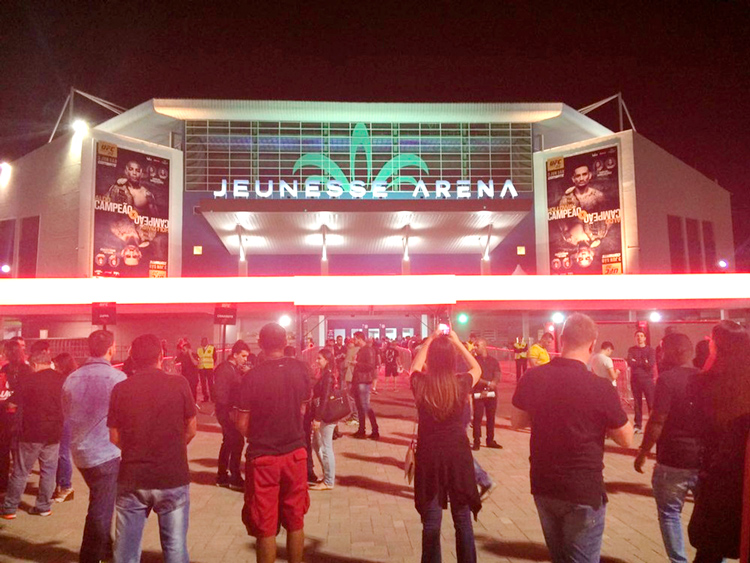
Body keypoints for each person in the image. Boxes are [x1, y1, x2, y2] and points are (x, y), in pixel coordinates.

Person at [511, 313, 633, 562]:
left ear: (561, 339)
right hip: (583, 490)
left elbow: (517, 422)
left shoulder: (533, 378)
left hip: (544, 485)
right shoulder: (601, 387)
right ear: (592, 344)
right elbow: (626, 439)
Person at [108, 334, 197, 563]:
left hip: (132, 477)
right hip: (173, 476)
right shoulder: (179, 383)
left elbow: (114, 436)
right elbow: (191, 429)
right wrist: (174, 448)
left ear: (133, 359)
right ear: (161, 356)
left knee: (126, 551)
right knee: (175, 547)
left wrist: (137, 449)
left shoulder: (121, 389)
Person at [236, 323, 311, 563]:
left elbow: (242, 422)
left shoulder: (252, 376)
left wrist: (258, 433)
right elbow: (303, 407)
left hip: (263, 457)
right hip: (296, 452)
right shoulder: (301, 369)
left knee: (265, 525)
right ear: (285, 342)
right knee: (296, 520)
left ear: (260, 343)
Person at [410, 328, 483, 563]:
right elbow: (477, 369)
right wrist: (458, 343)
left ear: (430, 359)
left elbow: (413, 369)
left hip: (430, 455)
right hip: (458, 455)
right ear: (452, 360)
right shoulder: (460, 383)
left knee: (431, 523)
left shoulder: (421, 384)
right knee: (462, 519)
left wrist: (430, 341)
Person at [633, 332, 700, 563]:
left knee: (670, 515)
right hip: (702, 460)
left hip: (672, 460)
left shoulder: (667, 380)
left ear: (674, 351)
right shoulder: (705, 378)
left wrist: (643, 452)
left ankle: (679, 560)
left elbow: (657, 420)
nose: (659, 353)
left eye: (662, 349)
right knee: (707, 516)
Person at [687, 320, 750, 561]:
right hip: (742, 471)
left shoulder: (703, 383)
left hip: (718, 473)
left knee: (710, 549)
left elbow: (697, 426)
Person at [62, 330, 126, 563]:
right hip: (106, 453)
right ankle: (90, 557)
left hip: (80, 452)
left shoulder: (72, 378)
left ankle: (107, 550)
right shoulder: (118, 378)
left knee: (101, 500)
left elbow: (66, 412)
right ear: (112, 348)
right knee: (101, 509)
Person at [1, 341, 65, 518]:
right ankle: (44, 506)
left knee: (20, 472)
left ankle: (9, 508)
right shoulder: (61, 379)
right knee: (49, 471)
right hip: (54, 432)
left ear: (35, 364)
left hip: (31, 432)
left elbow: (12, 402)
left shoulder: (29, 380)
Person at [213, 340, 250, 490]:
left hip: (230, 411)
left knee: (229, 442)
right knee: (236, 441)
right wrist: (228, 412)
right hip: (226, 412)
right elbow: (221, 394)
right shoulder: (225, 370)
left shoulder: (233, 369)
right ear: (235, 355)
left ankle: (222, 475)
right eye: (243, 355)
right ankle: (233, 476)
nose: (245, 359)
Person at [0, 338, 28, 495]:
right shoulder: (25, 369)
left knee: (6, 453)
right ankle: (14, 488)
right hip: (15, 415)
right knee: (16, 454)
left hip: (9, 415)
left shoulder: (7, 369)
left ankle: (5, 487)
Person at [52, 352, 78, 503]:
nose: (55, 368)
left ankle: (66, 486)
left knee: (63, 453)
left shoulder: (69, 379)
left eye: (57, 365)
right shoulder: (72, 377)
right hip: (65, 418)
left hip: (66, 418)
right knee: (61, 453)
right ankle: (60, 485)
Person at [310, 348, 337, 491]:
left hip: (326, 416)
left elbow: (325, 397)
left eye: (319, 358)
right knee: (316, 443)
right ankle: (327, 475)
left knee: (326, 447)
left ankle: (329, 480)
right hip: (323, 415)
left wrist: (318, 418)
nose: (317, 361)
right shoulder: (325, 374)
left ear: (326, 360)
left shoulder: (328, 376)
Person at [471, 337, 503, 450]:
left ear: (484, 346)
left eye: (477, 345)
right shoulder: (473, 361)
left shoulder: (493, 361)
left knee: (491, 417)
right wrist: (488, 383)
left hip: (491, 393)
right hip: (479, 392)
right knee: (477, 417)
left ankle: (490, 440)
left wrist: (494, 383)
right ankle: (476, 441)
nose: (475, 347)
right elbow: (474, 376)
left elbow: (497, 373)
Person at [351, 331, 380, 440]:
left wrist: (356, 364)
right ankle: (361, 430)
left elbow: (370, 366)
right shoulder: (363, 350)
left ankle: (375, 430)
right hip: (359, 380)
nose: (354, 341)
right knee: (360, 406)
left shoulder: (368, 350)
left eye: (355, 339)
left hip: (364, 381)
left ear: (359, 338)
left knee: (365, 406)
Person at [627, 329, 656, 433]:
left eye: (641, 336)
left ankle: (652, 426)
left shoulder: (650, 350)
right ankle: (637, 426)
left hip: (647, 380)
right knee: (637, 404)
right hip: (635, 380)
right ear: (635, 338)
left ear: (645, 338)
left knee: (651, 403)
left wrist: (638, 362)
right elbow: (630, 362)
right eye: (637, 336)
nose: (639, 338)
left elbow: (650, 364)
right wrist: (644, 362)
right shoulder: (631, 350)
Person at [176, 339, 200, 404]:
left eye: (184, 349)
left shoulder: (194, 355)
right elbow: (175, 361)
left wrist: (190, 354)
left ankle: (193, 404)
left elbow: (195, 363)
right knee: (185, 391)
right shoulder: (182, 355)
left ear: (189, 349)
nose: (182, 351)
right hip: (185, 377)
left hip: (193, 377)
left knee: (193, 391)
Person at [196, 337, 216, 402]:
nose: (203, 343)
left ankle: (213, 398)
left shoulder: (212, 348)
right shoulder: (199, 350)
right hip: (201, 368)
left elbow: (215, 357)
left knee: (210, 383)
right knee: (203, 384)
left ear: (207, 342)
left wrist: (213, 364)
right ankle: (205, 397)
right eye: (202, 341)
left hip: (209, 368)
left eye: (205, 341)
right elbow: (197, 358)